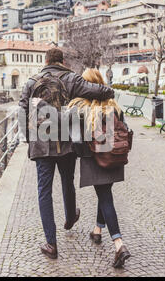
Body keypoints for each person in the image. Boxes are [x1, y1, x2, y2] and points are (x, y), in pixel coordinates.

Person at [19, 48, 114, 260]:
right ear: (62, 61)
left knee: (44, 191)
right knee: (67, 180)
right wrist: (110, 93)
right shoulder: (71, 79)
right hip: (66, 143)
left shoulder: (31, 82)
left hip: (41, 143)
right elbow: (97, 90)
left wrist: (29, 138)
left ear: (45, 61)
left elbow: (22, 111)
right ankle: (71, 216)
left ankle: (51, 244)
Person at [68, 68, 131, 268]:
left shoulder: (80, 108)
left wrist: (83, 153)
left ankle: (119, 244)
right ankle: (97, 230)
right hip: (115, 157)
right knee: (104, 192)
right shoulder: (114, 105)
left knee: (105, 197)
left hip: (95, 158)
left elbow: (76, 139)